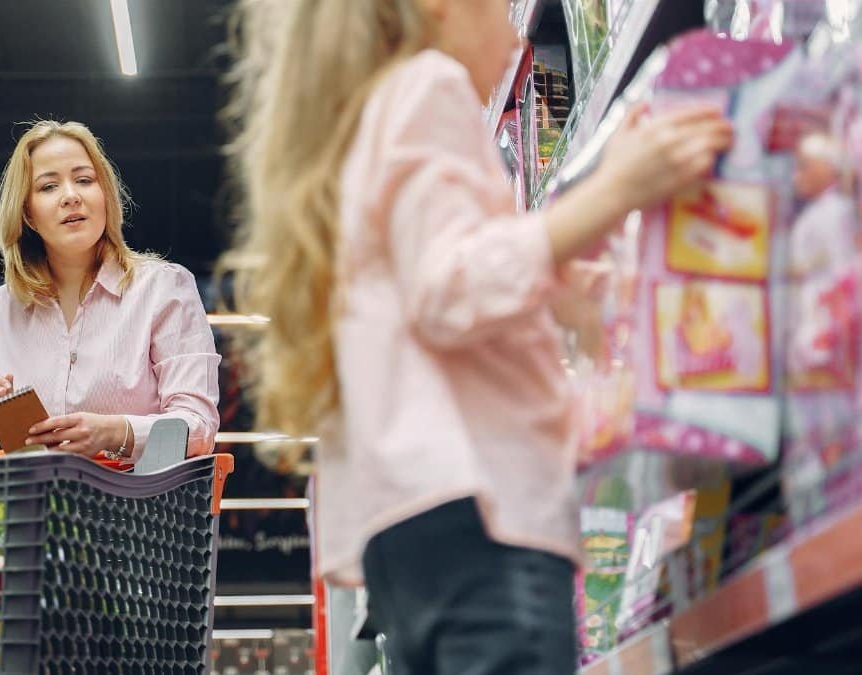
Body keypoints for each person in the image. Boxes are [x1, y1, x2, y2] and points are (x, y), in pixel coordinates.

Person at [220, 0, 733, 672]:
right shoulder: (426, 87)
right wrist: (614, 190)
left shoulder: (363, 126)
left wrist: (557, 288)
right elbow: (449, 287)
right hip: (480, 510)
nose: (520, 32)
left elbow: (422, 294)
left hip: (410, 525)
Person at [0, 120, 220, 462]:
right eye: (48, 187)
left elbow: (199, 426)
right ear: (27, 213)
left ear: (105, 196)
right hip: (29, 511)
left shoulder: (165, 289)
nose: (71, 196)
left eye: (85, 180)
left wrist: (115, 431)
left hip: (142, 510)